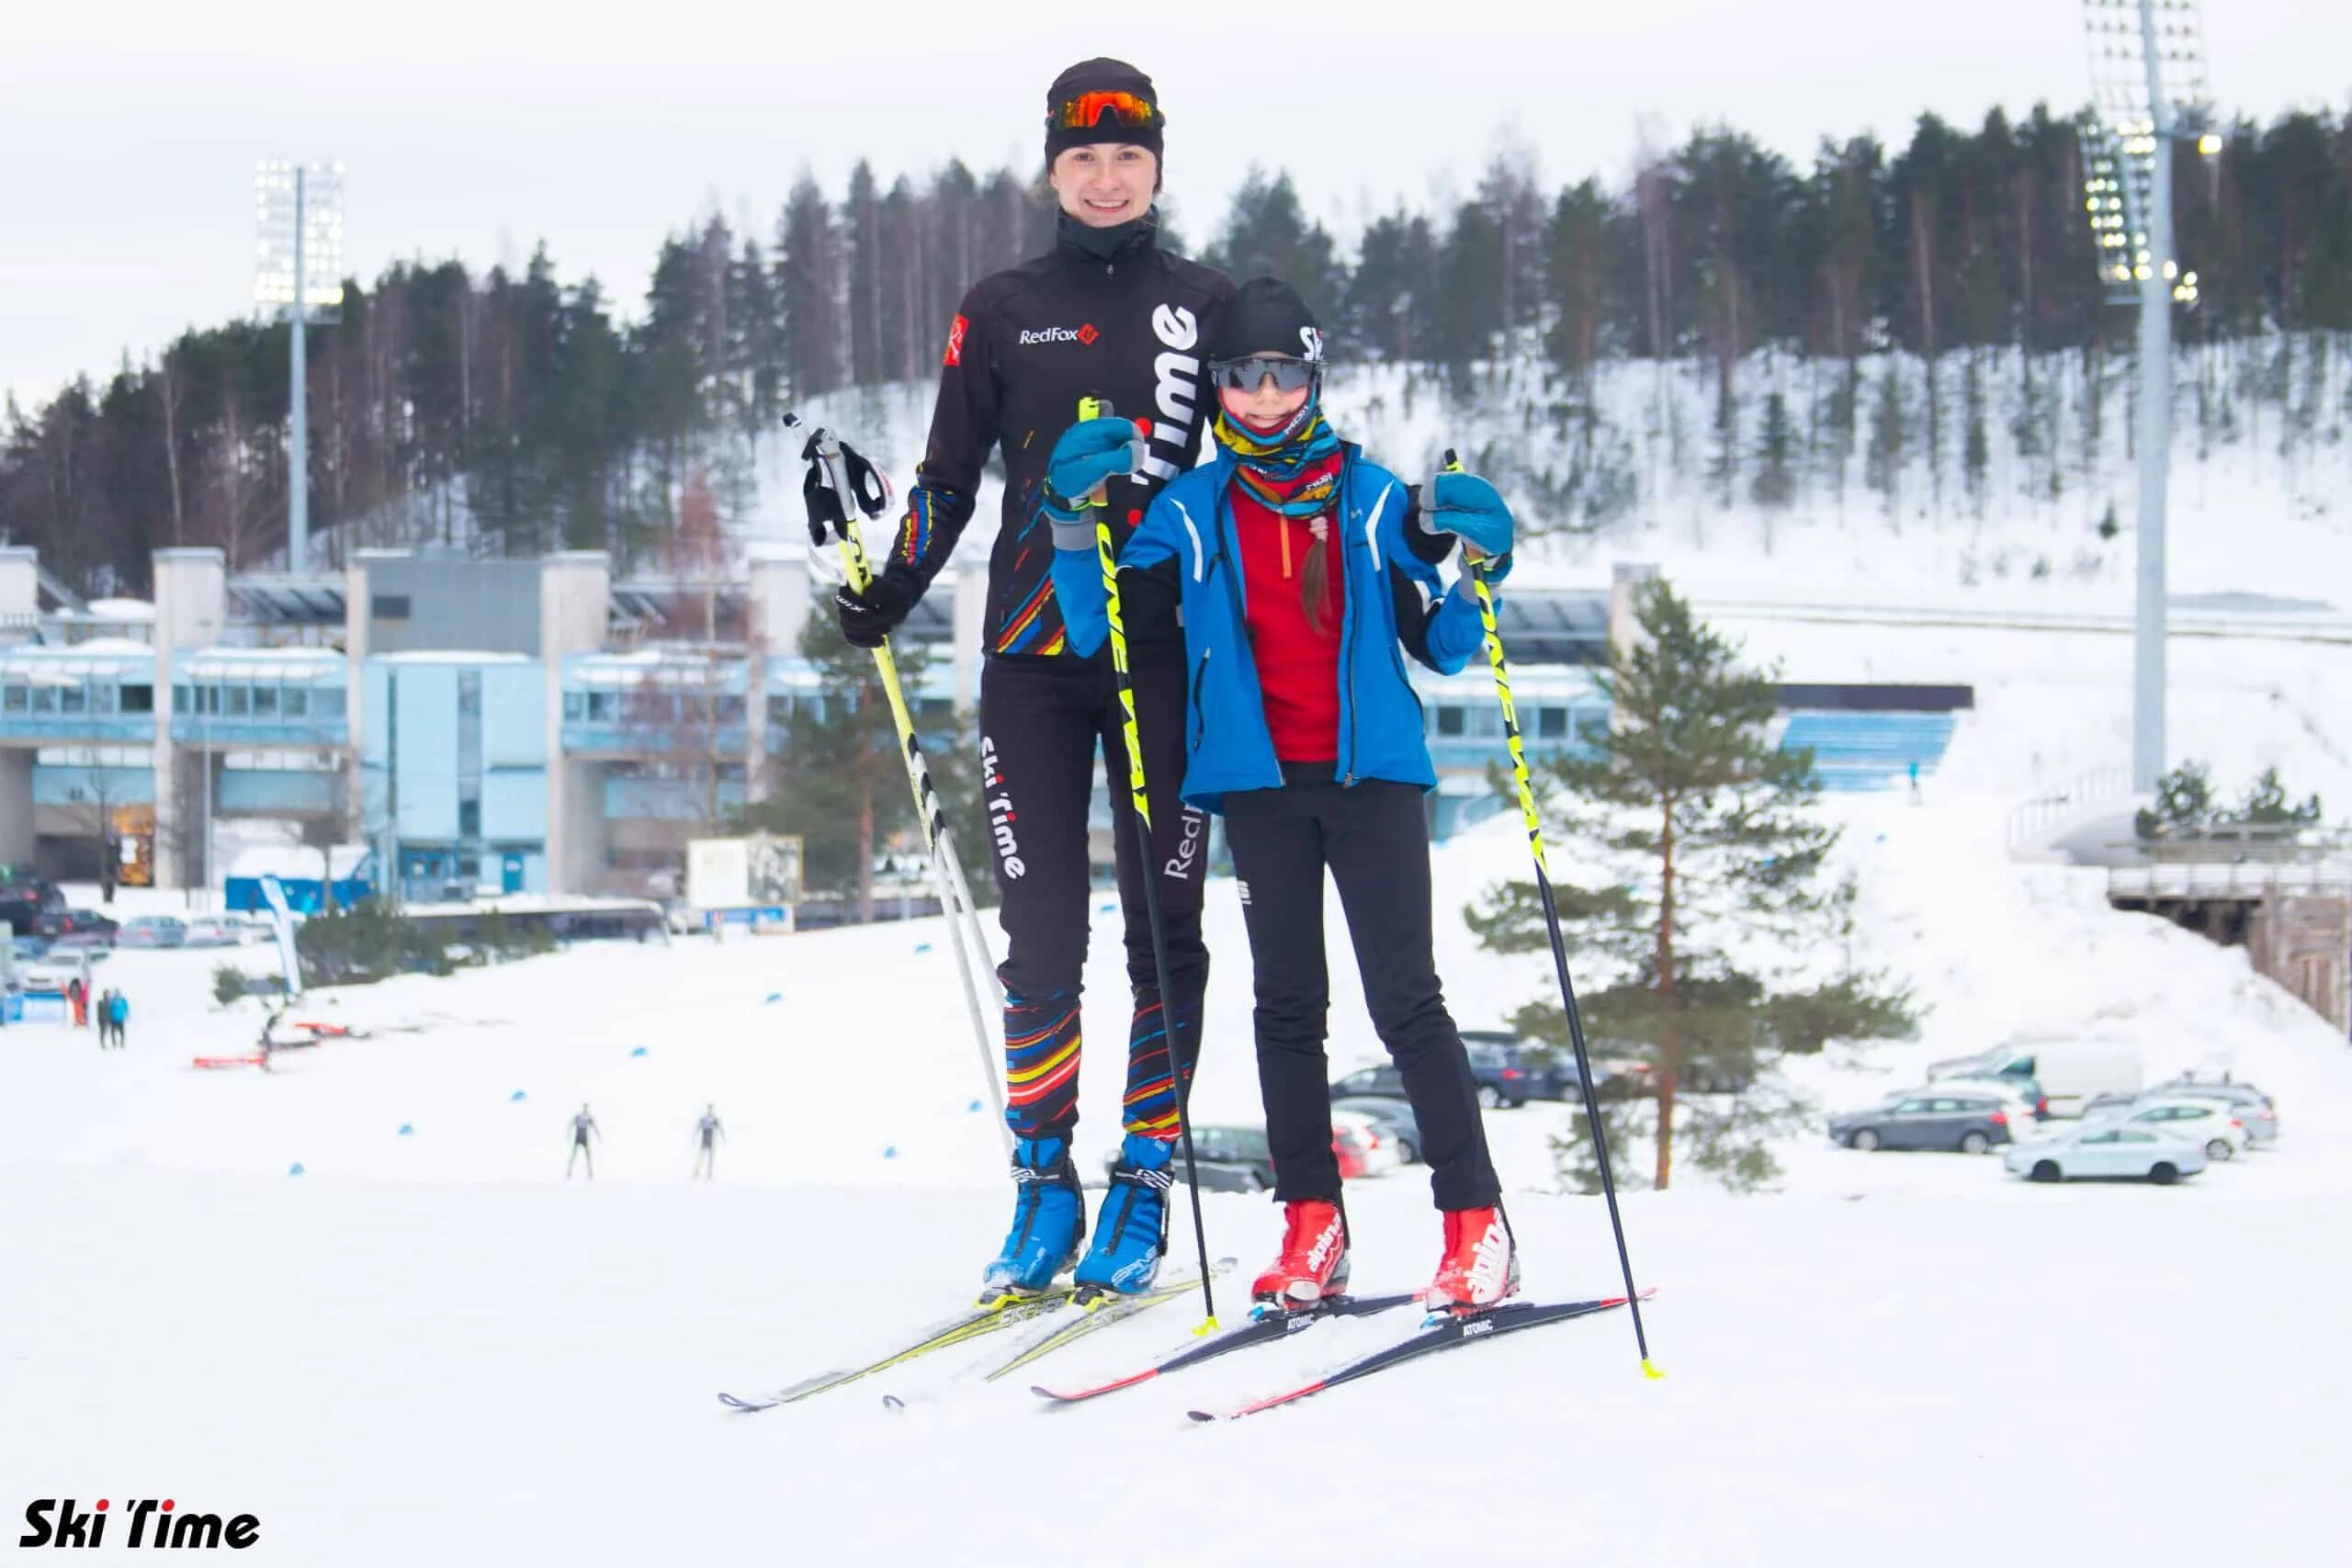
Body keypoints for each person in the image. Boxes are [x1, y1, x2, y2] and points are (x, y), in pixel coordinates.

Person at [831, 58, 1235, 1300]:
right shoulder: (1001, 305)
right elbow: (950, 476)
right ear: (1051, 168)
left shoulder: (1204, 305)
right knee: (1044, 932)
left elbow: (1263, 458)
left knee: (1167, 931)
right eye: (1083, 159)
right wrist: (890, 584)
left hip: (1165, 653)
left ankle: (1143, 1181)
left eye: (1128, 158)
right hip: (1033, 659)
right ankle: (1043, 1181)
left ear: (1158, 165)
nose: (1106, 180)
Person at [1049, 277, 1524, 1314]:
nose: (1264, 398)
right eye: (1241, 379)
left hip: (1375, 784)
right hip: (1260, 791)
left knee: (1409, 1005)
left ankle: (1475, 1226)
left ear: (1312, 377)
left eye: (1283, 375)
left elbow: (1443, 646)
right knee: (1285, 1010)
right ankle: (1312, 1227)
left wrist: (1484, 565)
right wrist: (1070, 523)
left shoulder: (1376, 501)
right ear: (1217, 391)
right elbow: (1103, 634)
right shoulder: (1186, 509)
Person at [566, 1103, 599, 1180]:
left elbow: (594, 1126)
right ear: (583, 1108)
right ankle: (569, 1171)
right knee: (574, 1154)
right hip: (578, 1136)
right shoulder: (579, 1116)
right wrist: (568, 1133)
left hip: (584, 1137)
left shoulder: (589, 1117)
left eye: (586, 1107)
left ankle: (590, 1172)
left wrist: (598, 1135)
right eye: (584, 1107)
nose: (585, 1108)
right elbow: (571, 1123)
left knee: (588, 1155)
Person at [693, 1103, 724, 1180]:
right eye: (709, 1108)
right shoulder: (705, 1118)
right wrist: (695, 1135)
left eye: (711, 1108)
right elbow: (699, 1126)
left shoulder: (713, 1118)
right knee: (703, 1153)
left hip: (710, 1135)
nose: (710, 1109)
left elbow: (719, 1126)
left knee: (710, 1154)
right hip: (706, 1134)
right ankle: (697, 1170)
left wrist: (722, 1135)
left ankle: (708, 1173)